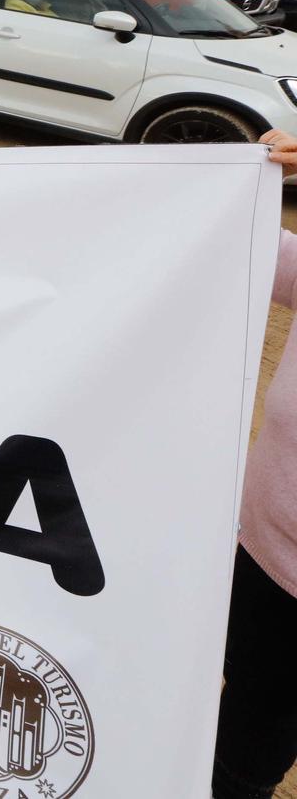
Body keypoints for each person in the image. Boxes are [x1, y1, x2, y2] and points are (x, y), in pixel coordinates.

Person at [213, 129, 297, 798]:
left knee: (245, 760)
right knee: (238, 708)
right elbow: (253, 253)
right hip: (257, 547)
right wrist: (229, 176)